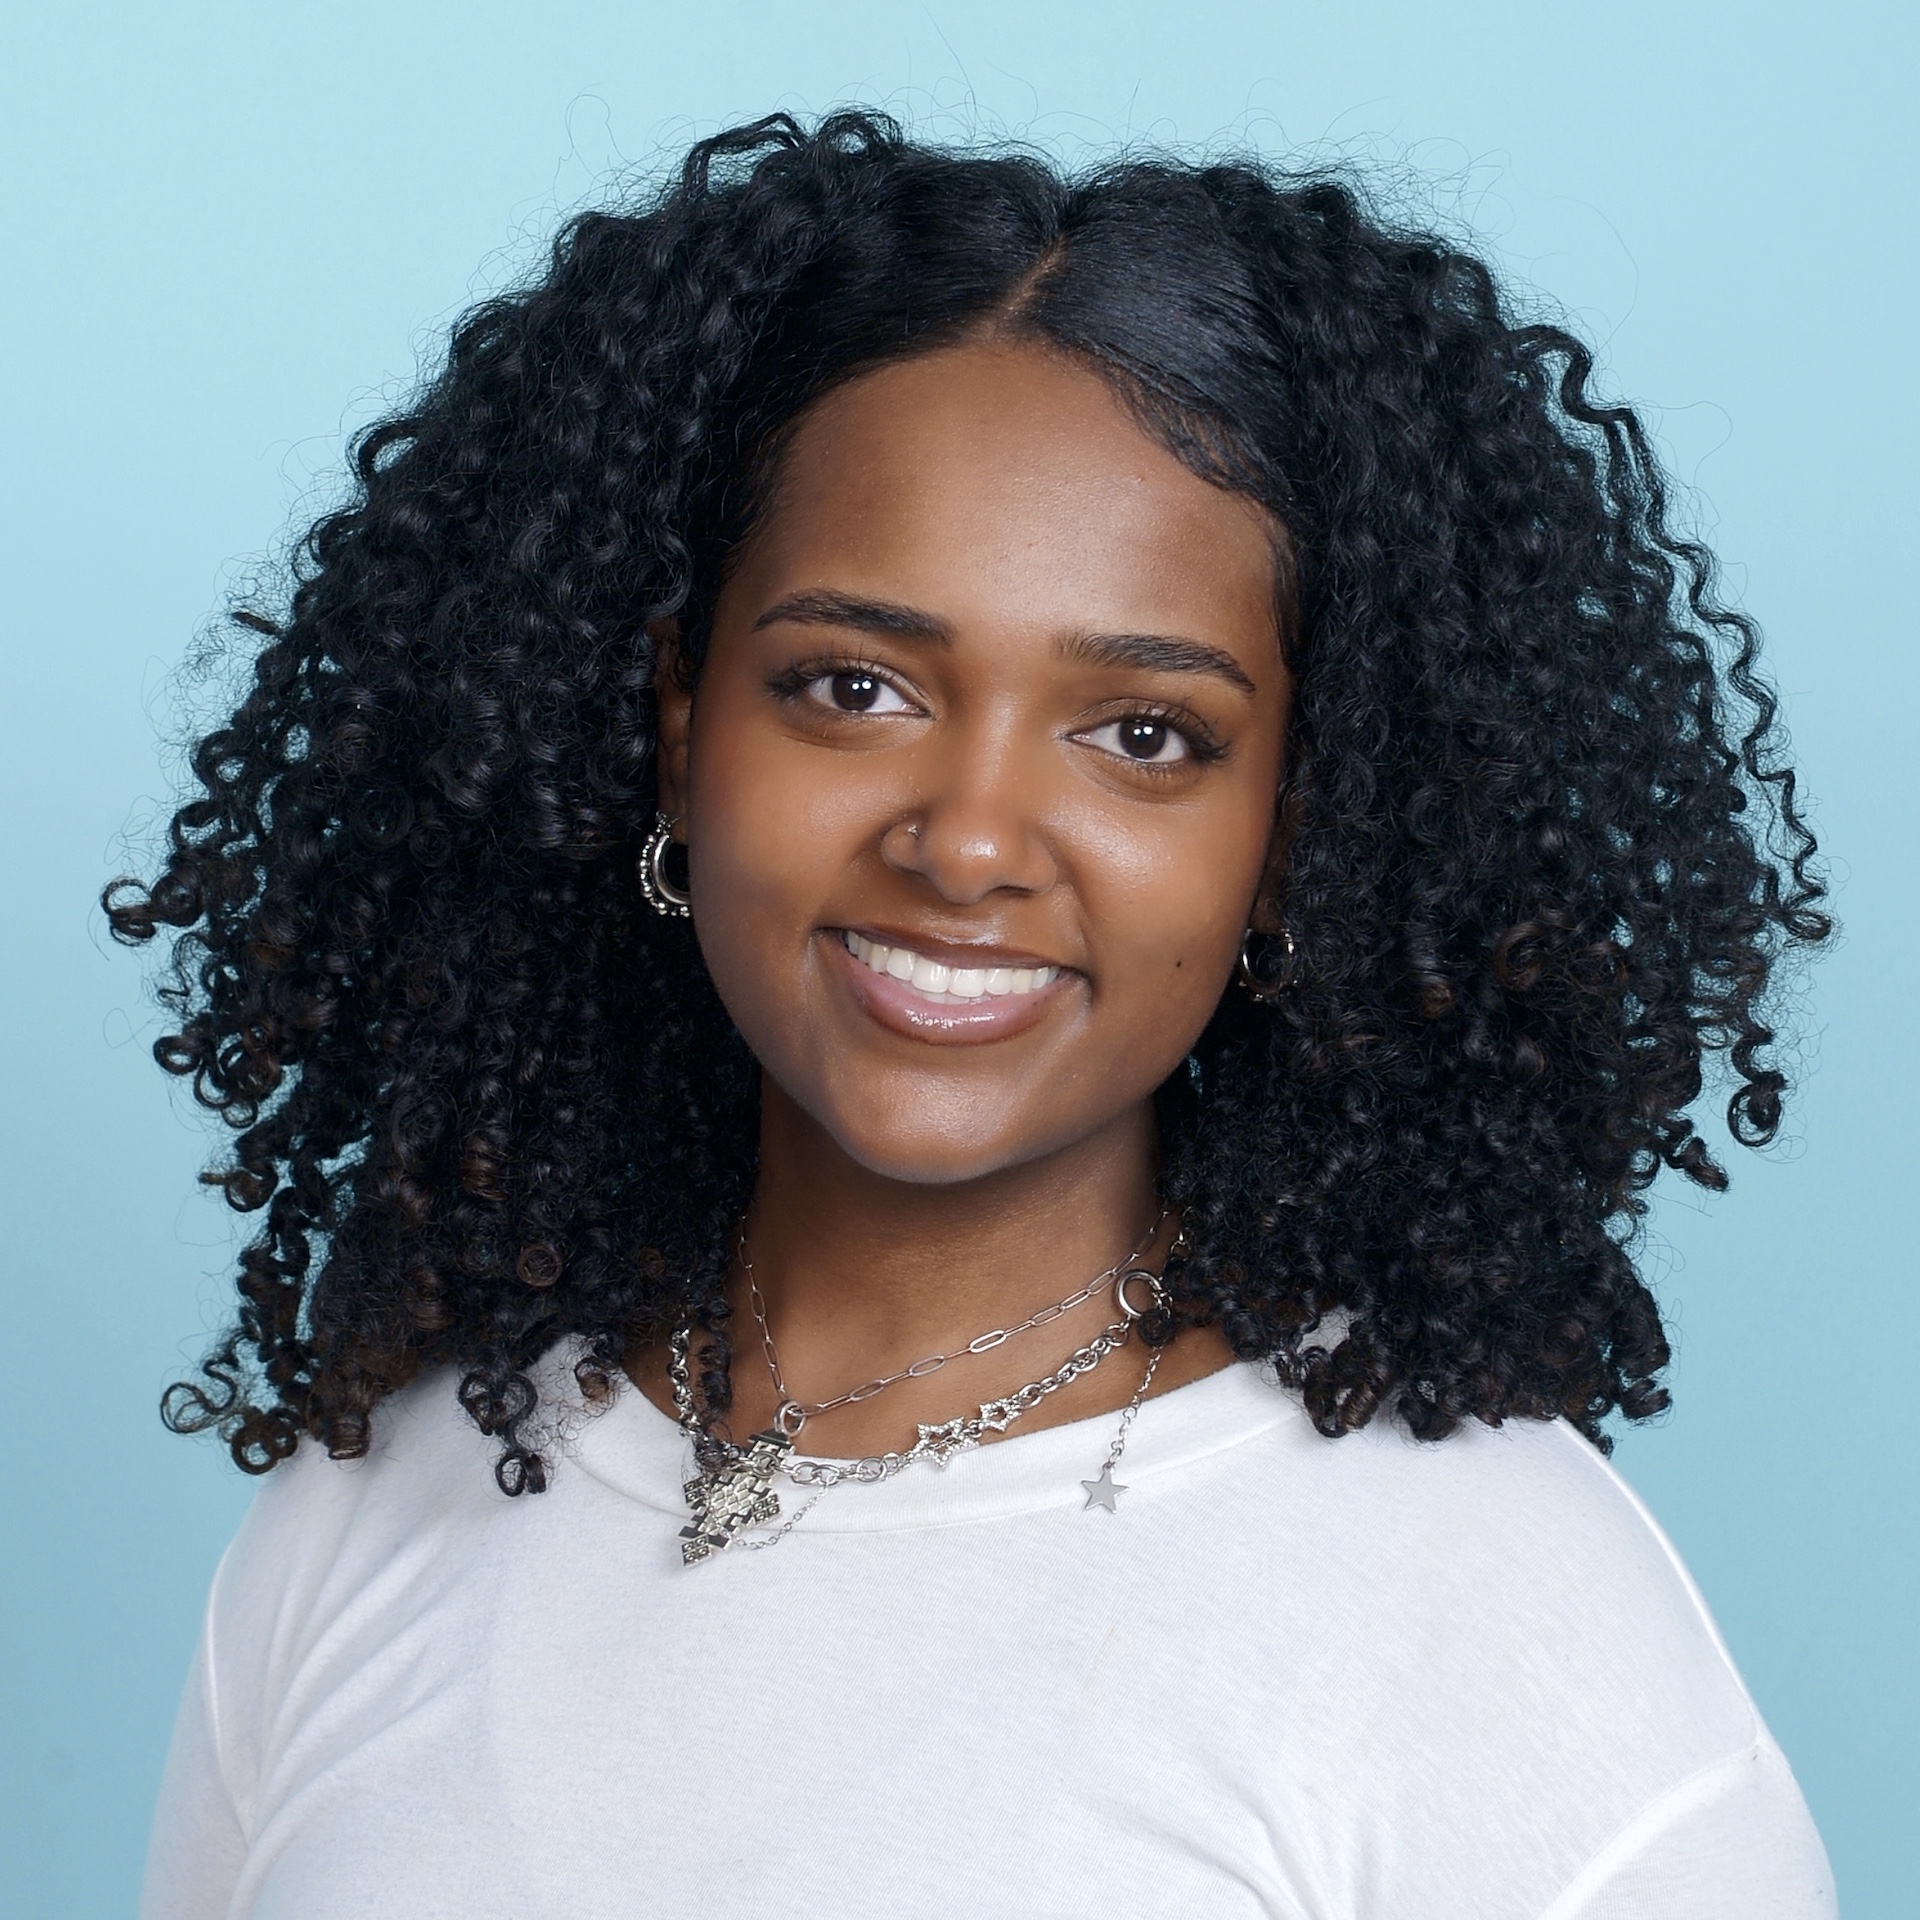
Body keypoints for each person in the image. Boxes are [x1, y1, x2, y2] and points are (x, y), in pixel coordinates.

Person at [115, 110, 1836, 1918]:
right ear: (679, 725)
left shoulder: (1498, 1627)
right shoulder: (374, 1508)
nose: (969, 842)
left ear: (1301, 830)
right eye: (853, 687)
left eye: (1146, 733)